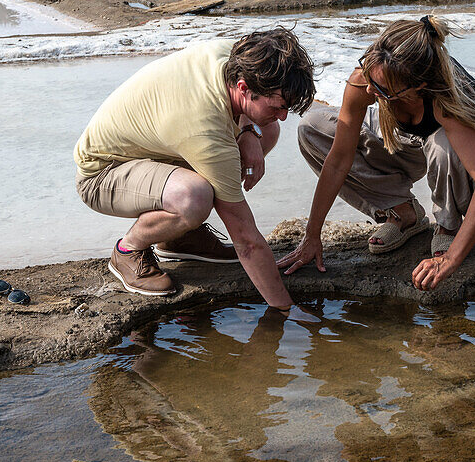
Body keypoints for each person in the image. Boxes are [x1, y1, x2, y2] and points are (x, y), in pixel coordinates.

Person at [75, 27, 315, 312]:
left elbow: (258, 120)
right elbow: (246, 240)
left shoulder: (241, 56)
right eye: (278, 105)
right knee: (194, 197)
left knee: (268, 129)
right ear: (243, 88)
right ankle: (129, 249)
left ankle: (180, 236)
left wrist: (248, 131)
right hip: (102, 174)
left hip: (154, 149)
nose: (285, 116)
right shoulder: (204, 129)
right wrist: (286, 312)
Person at [278, 16, 475, 291]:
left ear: (417, 87)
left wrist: (450, 260)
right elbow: (338, 161)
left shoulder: (446, 99)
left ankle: (449, 226)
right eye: (369, 78)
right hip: (410, 136)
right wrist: (312, 235)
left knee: (443, 145)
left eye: (380, 89)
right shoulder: (369, 79)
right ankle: (402, 212)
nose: (368, 90)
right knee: (312, 128)